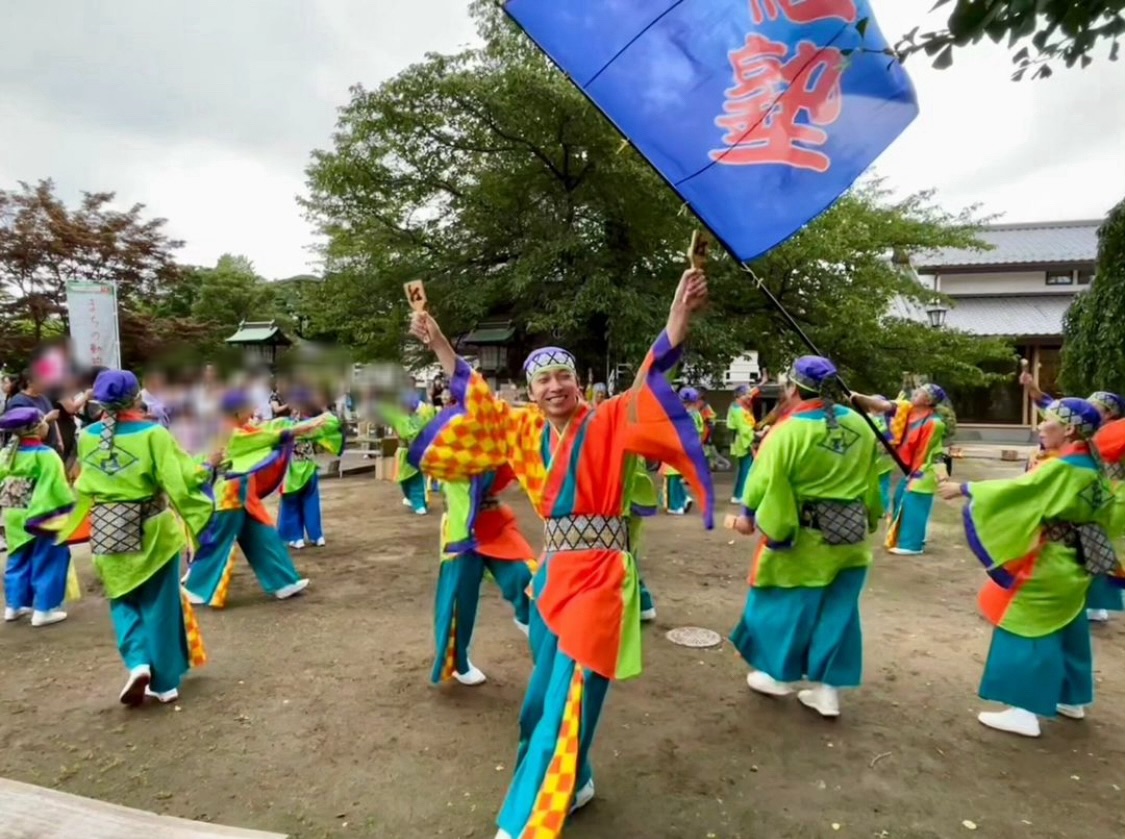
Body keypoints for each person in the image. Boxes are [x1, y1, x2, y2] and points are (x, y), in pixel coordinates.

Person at [407, 267, 711, 839]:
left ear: (579, 382)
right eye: (542, 379)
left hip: (601, 579)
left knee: (568, 696)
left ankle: (527, 818)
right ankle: (579, 781)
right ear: (528, 390)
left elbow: (652, 373)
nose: (554, 387)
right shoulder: (522, 431)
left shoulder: (611, 420)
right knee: (540, 700)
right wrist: (438, 340)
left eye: (562, 376)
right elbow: (472, 392)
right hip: (553, 579)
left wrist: (680, 312)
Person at [939, 397, 1122, 737]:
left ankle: (1024, 709)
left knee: (1025, 627)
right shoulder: (1094, 467)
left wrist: (964, 488)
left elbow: (1019, 491)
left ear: (1068, 429)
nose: (1039, 426)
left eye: (1046, 421)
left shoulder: (1062, 468)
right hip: (1077, 560)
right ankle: (1071, 697)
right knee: (1068, 628)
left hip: (1050, 561)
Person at [729, 357, 882, 718]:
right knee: (839, 612)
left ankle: (776, 675)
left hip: (804, 539)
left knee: (781, 607)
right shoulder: (860, 423)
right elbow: (872, 479)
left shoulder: (788, 430)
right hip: (851, 538)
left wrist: (749, 516)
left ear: (793, 388)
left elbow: (761, 480)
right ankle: (827, 692)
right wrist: (873, 517)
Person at [56, 371, 216, 705]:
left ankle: (138, 662)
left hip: (106, 529)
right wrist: (207, 466)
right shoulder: (154, 434)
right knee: (160, 603)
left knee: (122, 600)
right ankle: (164, 683)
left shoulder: (88, 436)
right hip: (152, 529)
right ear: (135, 398)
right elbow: (180, 480)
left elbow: (83, 483)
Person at [182, 390, 323, 608]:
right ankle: (196, 589)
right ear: (237, 411)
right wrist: (297, 429)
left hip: (242, 497)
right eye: (250, 408)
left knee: (265, 538)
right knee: (219, 544)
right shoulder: (226, 433)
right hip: (225, 499)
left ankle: (283, 582)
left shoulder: (234, 429)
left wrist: (297, 428)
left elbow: (264, 431)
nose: (254, 412)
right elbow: (264, 436)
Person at [1020, 373, 1125, 623]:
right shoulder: (1077, 425)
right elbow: (1048, 405)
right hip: (1074, 490)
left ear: (1109, 413)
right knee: (1080, 548)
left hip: (1099, 495)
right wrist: (1032, 386)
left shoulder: (1113, 434)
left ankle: (1093, 604)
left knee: (1091, 547)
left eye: (1096, 405)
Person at [851, 384, 948, 556]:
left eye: (920, 393)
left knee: (913, 500)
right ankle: (910, 538)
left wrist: (915, 473)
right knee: (900, 499)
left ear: (928, 400)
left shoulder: (934, 423)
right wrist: (858, 396)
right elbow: (882, 405)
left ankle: (912, 545)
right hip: (911, 467)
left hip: (925, 467)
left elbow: (924, 451)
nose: (914, 393)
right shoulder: (906, 409)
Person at [1, 407, 76, 626]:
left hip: (13, 513)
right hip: (42, 513)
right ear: (36, 428)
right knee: (49, 558)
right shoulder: (46, 455)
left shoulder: (6, 454)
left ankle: (14, 605)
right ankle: (45, 608)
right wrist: (69, 508)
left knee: (17, 558)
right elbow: (57, 487)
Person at [278, 389, 344, 550]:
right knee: (311, 502)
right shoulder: (312, 423)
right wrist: (324, 409)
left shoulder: (284, 425)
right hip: (309, 467)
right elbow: (333, 423)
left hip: (292, 470)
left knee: (290, 503)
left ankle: (295, 537)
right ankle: (317, 536)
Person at [662, 387, 705, 515]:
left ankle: (675, 505)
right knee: (675, 477)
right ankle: (682, 500)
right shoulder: (694, 414)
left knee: (672, 478)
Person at [393, 393, 433, 515]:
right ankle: (410, 498)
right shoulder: (398, 418)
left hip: (415, 452)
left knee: (416, 479)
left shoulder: (418, 418)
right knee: (403, 479)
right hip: (402, 453)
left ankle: (419, 503)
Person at [727, 385, 758, 505]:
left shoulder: (738, 408)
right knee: (745, 470)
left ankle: (739, 494)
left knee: (744, 469)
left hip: (742, 439)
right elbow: (743, 429)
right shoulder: (737, 410)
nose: (749, 396)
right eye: (747, 394)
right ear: (739, 396)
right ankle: (739, 494)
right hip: (743, 441)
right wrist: (754, 437)